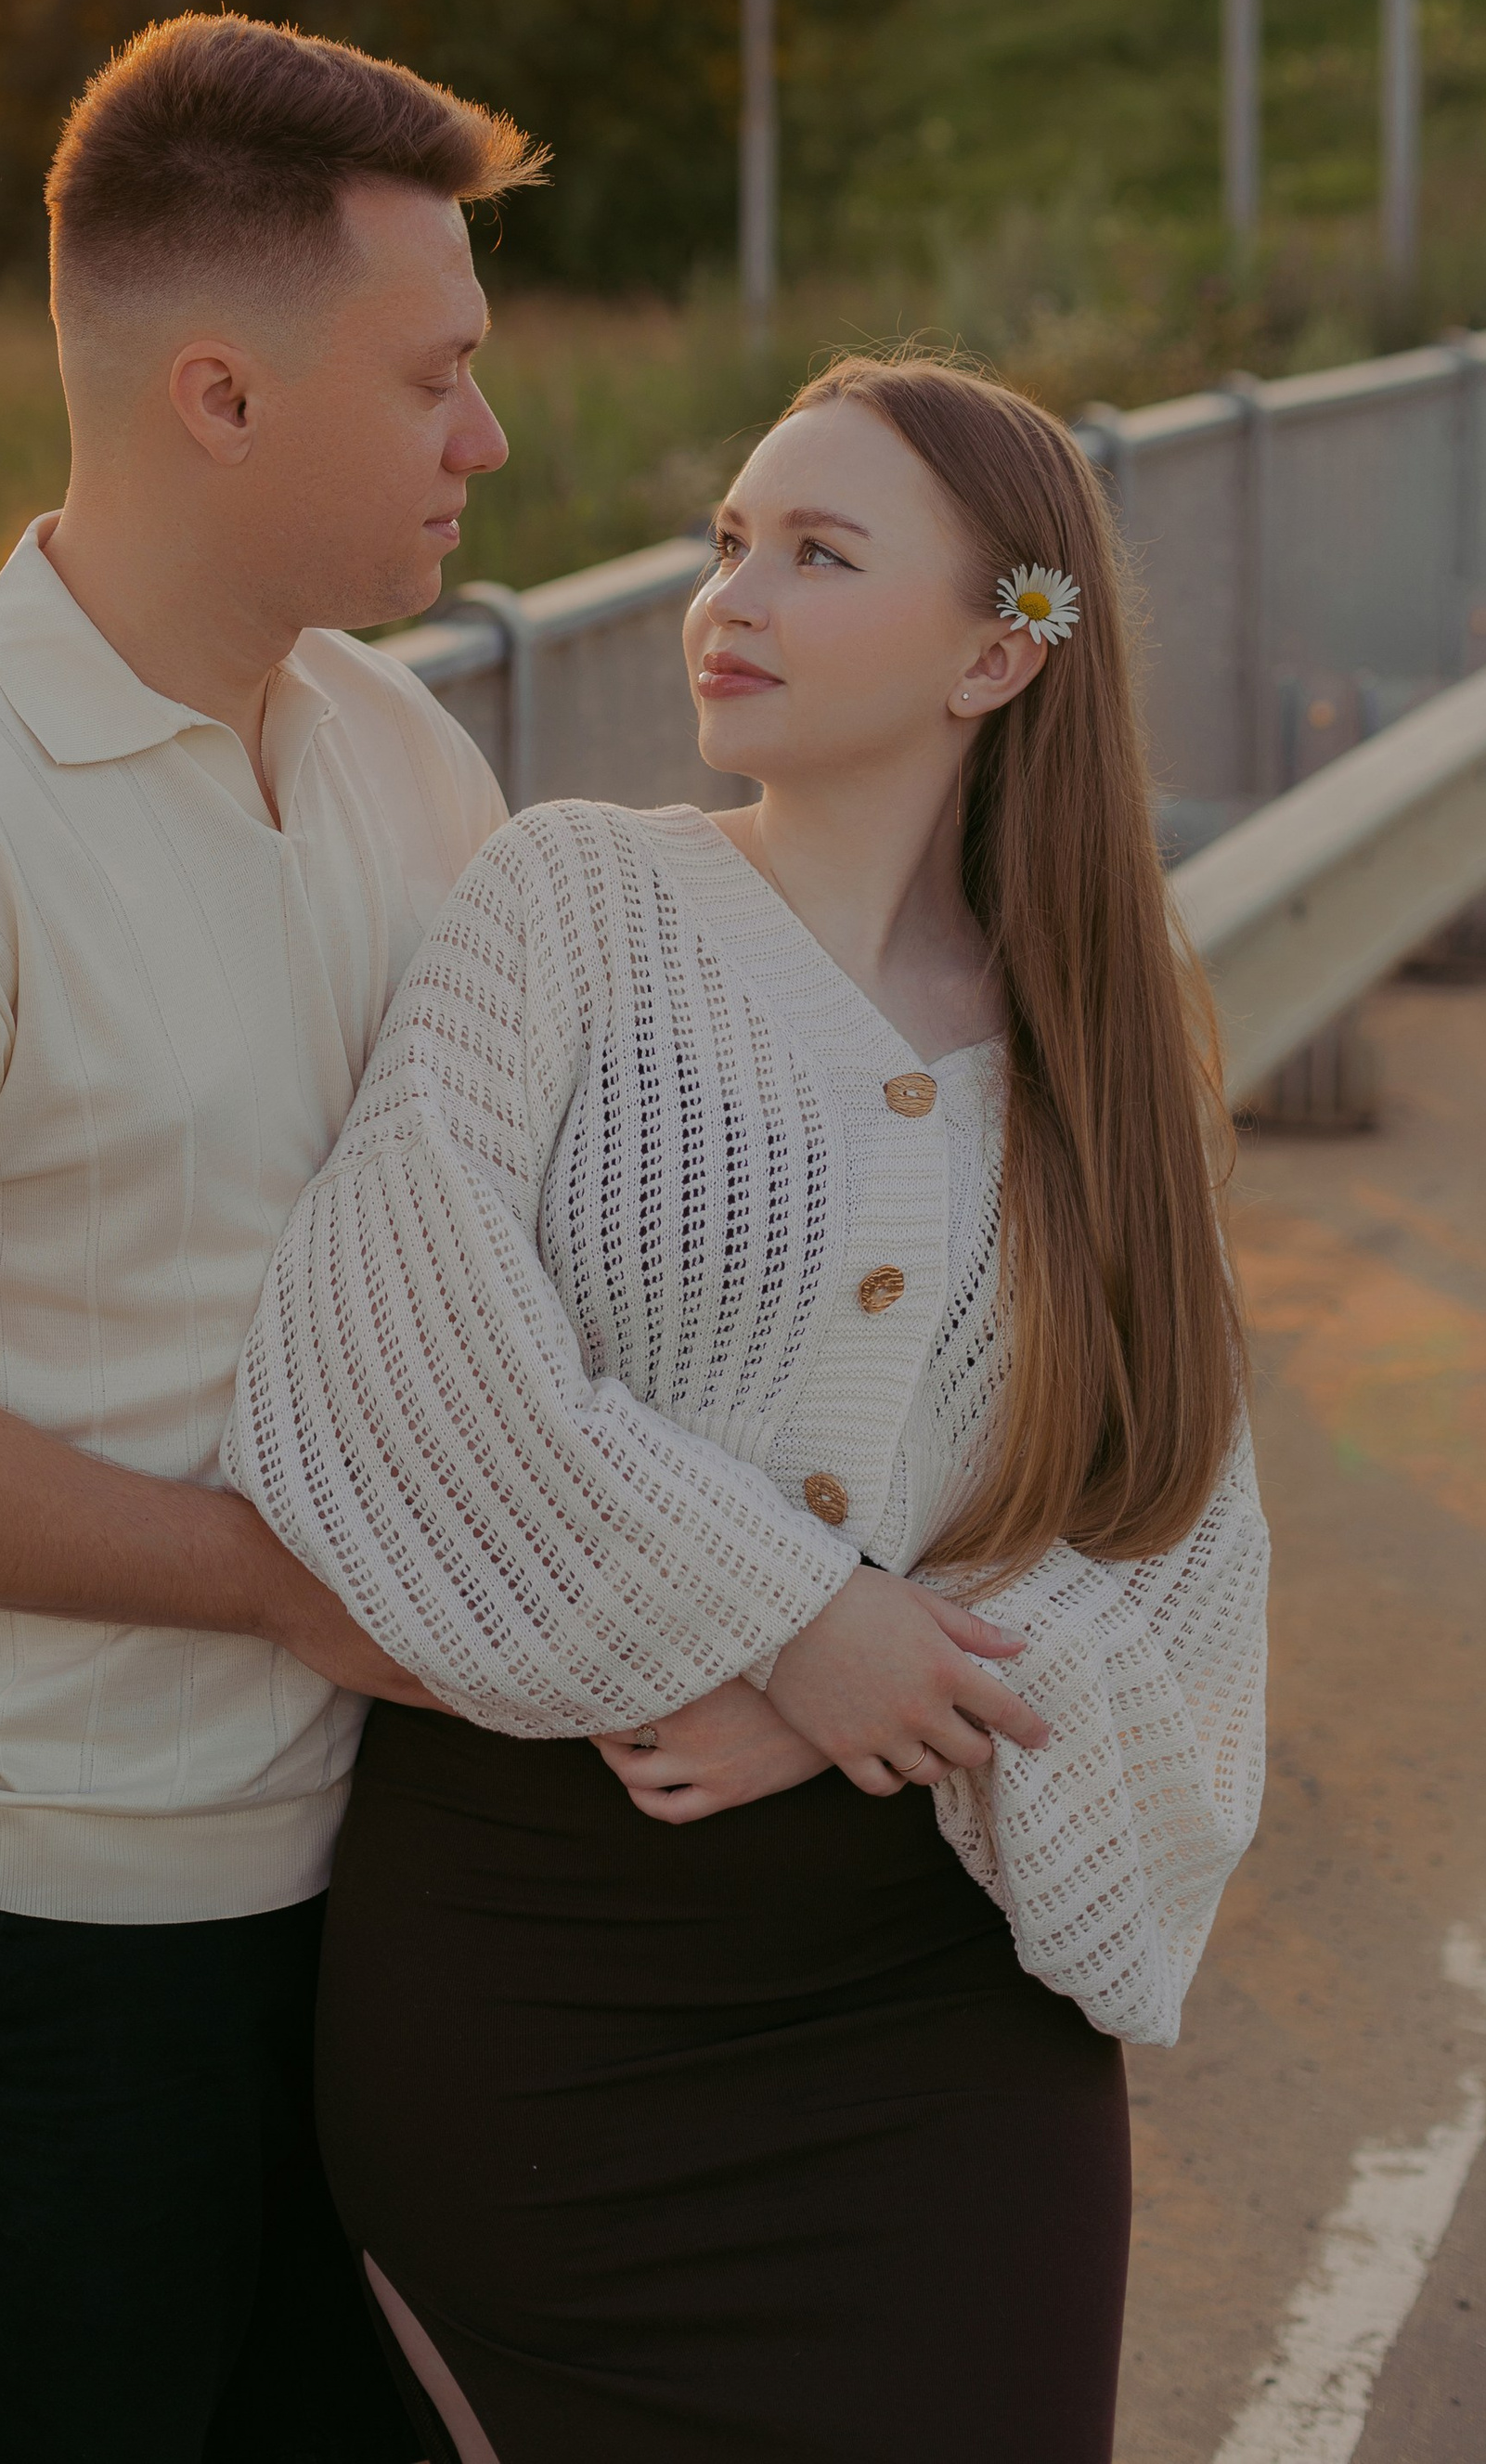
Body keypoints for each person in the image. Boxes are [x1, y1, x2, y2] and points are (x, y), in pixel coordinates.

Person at [228, 350, 1270, 2464]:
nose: (730, 595)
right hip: (544, 1983)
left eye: (814, 552)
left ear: (997, 650)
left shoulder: (1106, 1016)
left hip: (928, 1995)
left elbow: (1174, 1536)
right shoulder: (574, 902)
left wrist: (852, 1686)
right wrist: (788, 1613)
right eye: (727, 541)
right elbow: (388, 1351)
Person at [0, 14, 545, 2464]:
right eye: (437, 374)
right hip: (47, 1924)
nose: (486, 438)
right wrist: (282, 1581)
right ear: (219, 397)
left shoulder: (406, 752)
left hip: (382, 1854)